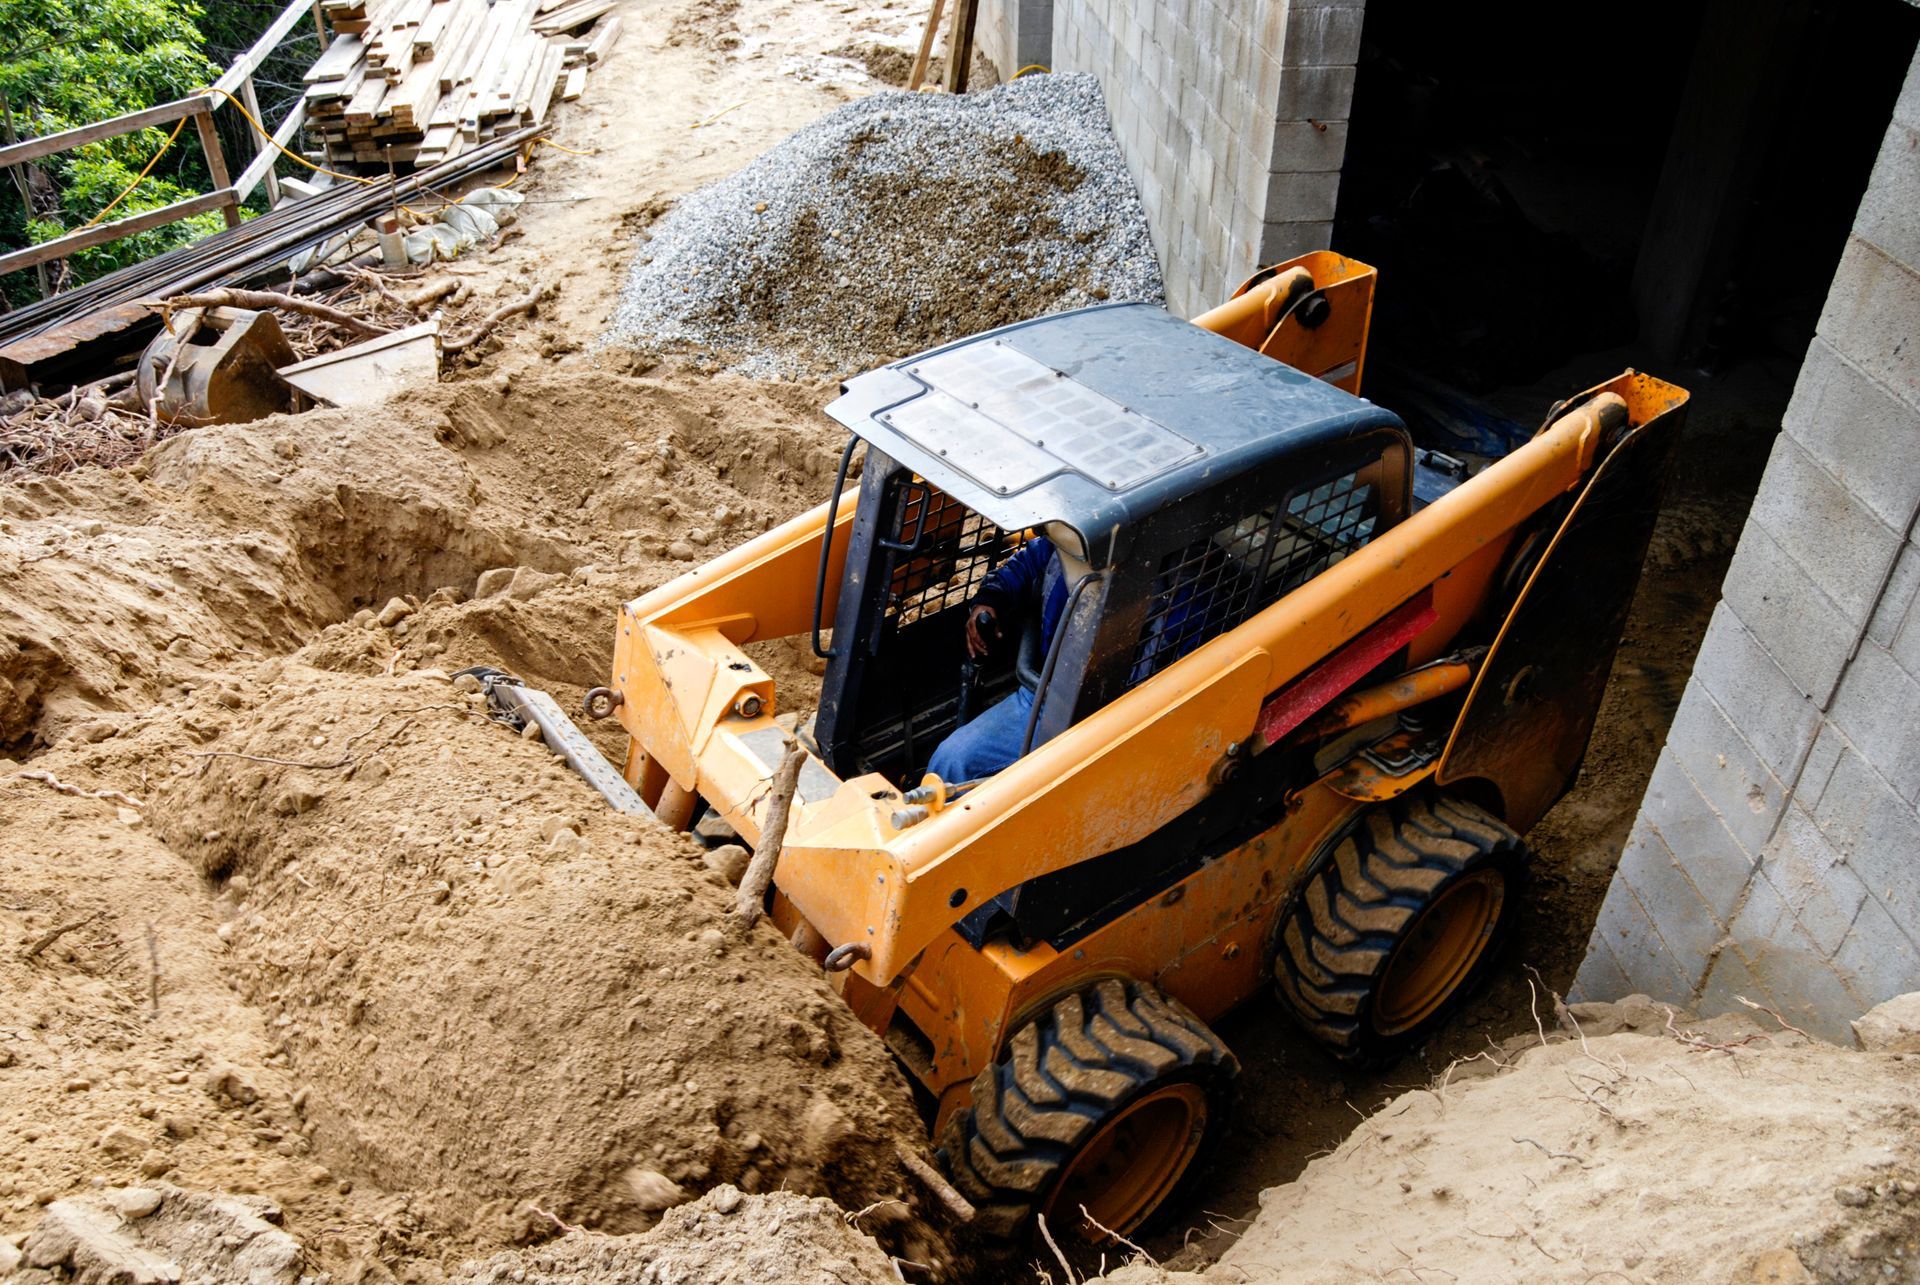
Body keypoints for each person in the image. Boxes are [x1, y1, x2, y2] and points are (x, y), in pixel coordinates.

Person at [926, 533, 1069, 783]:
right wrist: (990, 600)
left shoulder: (1151, 565)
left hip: (1108, 708)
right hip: (1046, 692)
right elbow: (1027, 562)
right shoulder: (1068, 538)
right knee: (952, 762)